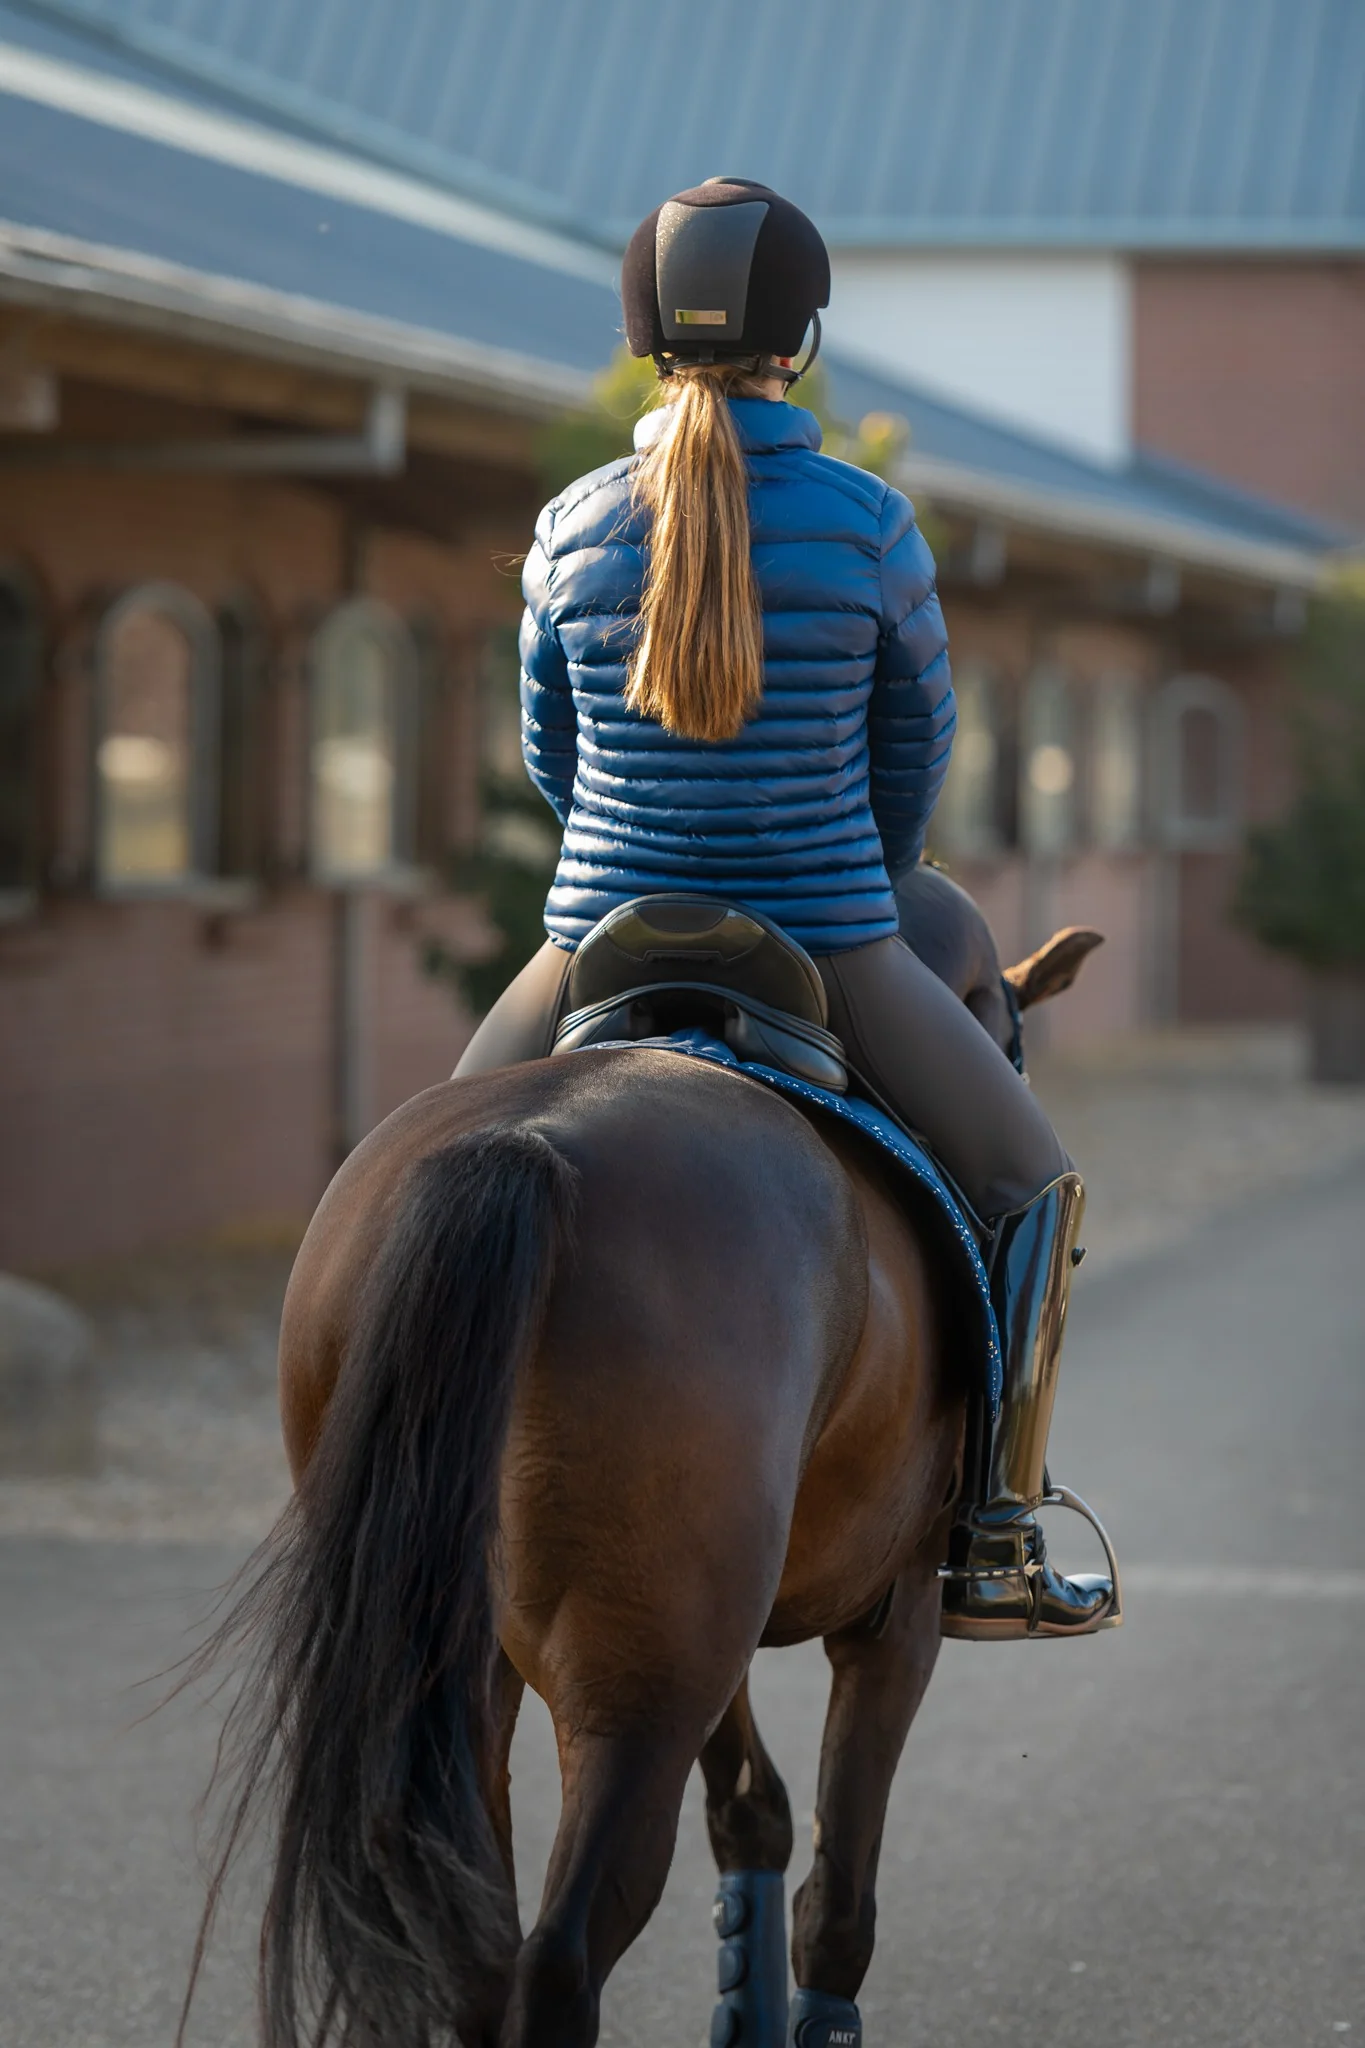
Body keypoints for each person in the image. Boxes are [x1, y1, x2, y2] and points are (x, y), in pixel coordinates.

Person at [457, 177, 1117, 1641]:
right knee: (1035, 1186)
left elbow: (551, 762)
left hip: (595, 939)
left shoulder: (570, 524)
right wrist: (853, 886)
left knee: (404, 1188)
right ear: (800, 340)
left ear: (643, 335)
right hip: (826, 931)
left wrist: (628, 862)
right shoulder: (871, 524)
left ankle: (375, 1520)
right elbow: (913, 758)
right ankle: (998, 1536)